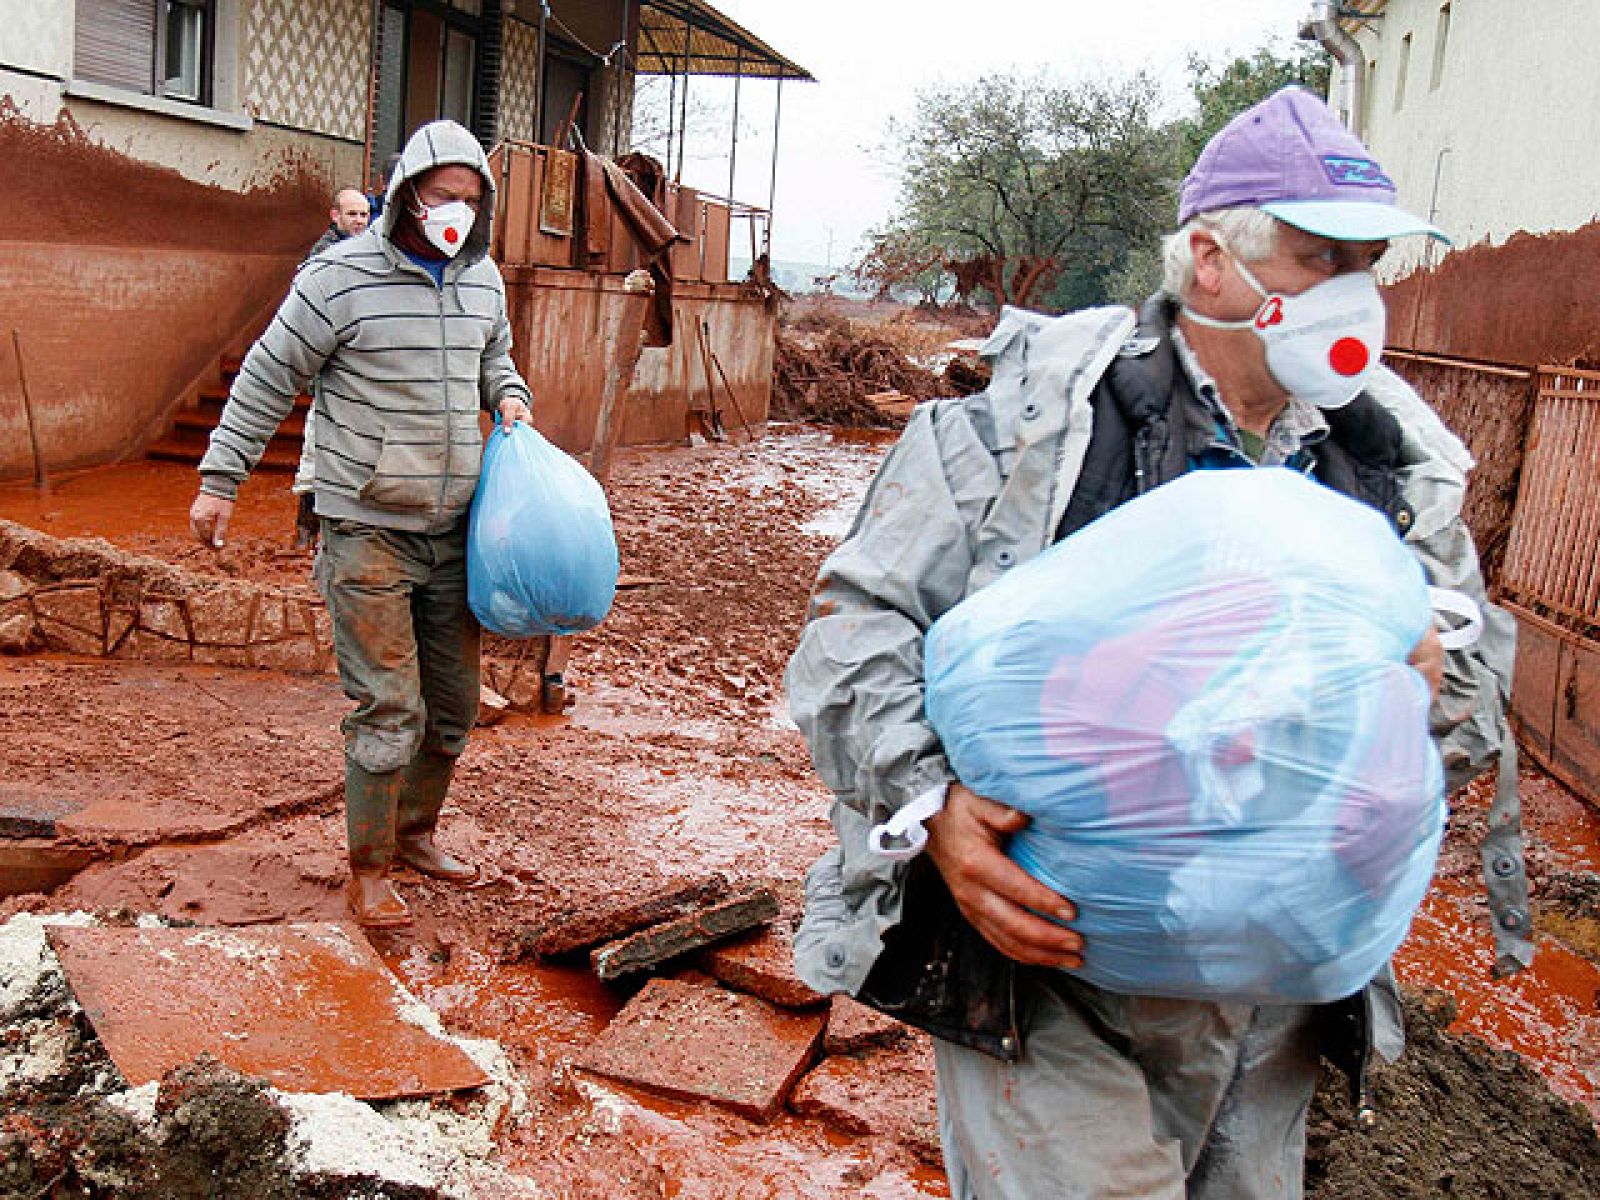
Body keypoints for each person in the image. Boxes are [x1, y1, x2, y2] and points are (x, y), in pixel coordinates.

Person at [785, 86, 1529, 1199]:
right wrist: (930, 809)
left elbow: (1463, 700)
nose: (1356, 297)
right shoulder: (1037, 421)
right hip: (1048, 968)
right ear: (1210, 262)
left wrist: (1424, 694)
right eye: (1320, 257)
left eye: (1369, 262)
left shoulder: (1384, 460)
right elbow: (855, 631)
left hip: (1272, 989)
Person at [190, 120, 534, 929]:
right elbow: (270, 378)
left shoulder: (483, 279)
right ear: (407, 193)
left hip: (454, 528)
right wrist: (220, 480)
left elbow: (497, 358)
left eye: (470, 200)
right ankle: (368, 869)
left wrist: (507, 394)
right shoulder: (337, 279)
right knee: (388, 707)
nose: (455, 212)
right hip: (364, 524)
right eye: (443, 196)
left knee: (450, 708)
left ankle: (413, 834)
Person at [306, 187, 370, 260]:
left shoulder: (371, 245)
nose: (359, 221)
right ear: (335, 215)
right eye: (352, 214)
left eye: (363, 215)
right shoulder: (325, 252)